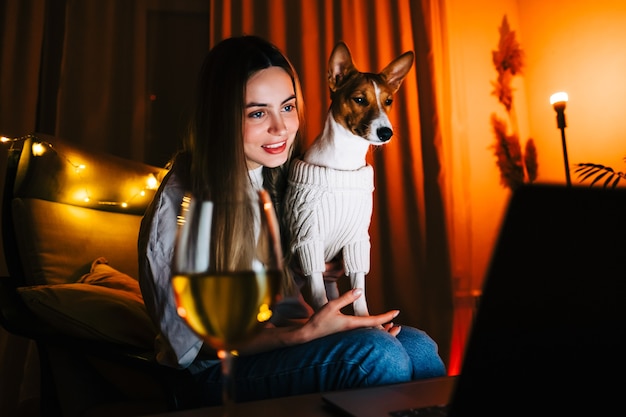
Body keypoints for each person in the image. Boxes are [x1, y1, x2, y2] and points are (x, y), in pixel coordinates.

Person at [138, 35, 446, 407]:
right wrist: (305, 333)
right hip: (209, 374)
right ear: (221, 115)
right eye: (257, 113)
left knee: (419, 347)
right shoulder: (182, 205)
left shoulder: (285, 176)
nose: (281, 128)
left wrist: (314, 269)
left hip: (286, 335)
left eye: (287, 107)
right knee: (377, 354)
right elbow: (194, 344)